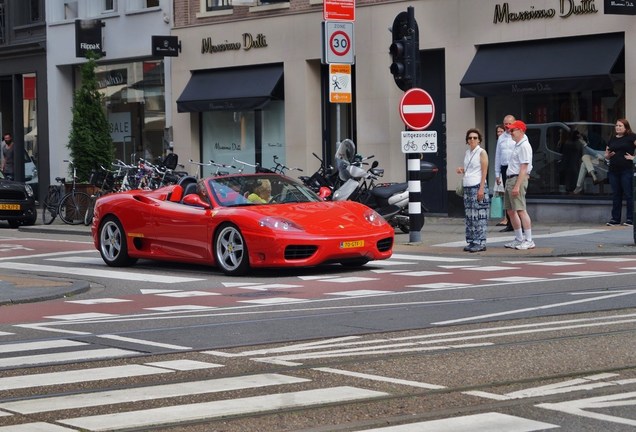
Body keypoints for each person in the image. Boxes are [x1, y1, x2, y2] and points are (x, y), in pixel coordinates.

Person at [456, 128, 489, 252]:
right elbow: (470, 169)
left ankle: (480, 242)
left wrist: (481, 189)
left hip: (477, 186)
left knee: (479, 215)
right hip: (467, 186)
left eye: (475, 138)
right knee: (470, 215)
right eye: (470, 138)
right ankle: (471, 241)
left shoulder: (482, 152)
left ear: (479, 139)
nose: (472, 140)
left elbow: (484, 171)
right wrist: (462, 170)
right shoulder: (467, 153)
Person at [504, 120, 535, 250]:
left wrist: (517, 185)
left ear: (521, 131)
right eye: (510, 130)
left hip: (517, 179)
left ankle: (529, 239)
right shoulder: (518, 145)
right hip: (511, 179)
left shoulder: (524, 146)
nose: (511, 132)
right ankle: (519, 238)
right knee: (511, 211)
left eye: (513, 130)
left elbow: (524, 167)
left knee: (521, 210)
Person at [604, 118, 636, 226]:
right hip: (613, 170)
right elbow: (606, 154)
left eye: (620, 126)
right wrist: (608, 156)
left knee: (628, 194)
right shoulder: (612, 139)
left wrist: (634, 158)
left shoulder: (632, 137)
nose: (618, 127)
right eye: (616, 125)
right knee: (616, 195)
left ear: (626, 127)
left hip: (626, 170)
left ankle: (630, 219)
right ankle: (615, 219)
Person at [494, 115, 516, 231]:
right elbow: (497, 155)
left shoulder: (517, 136)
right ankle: (509, 224)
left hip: (515, 169)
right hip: (504, 168)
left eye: (509, 123)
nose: (507, 126)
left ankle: (519, 224)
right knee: (506, 196)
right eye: (505, 124)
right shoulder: (501, 137)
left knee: (515, 197)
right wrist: (497, 173)